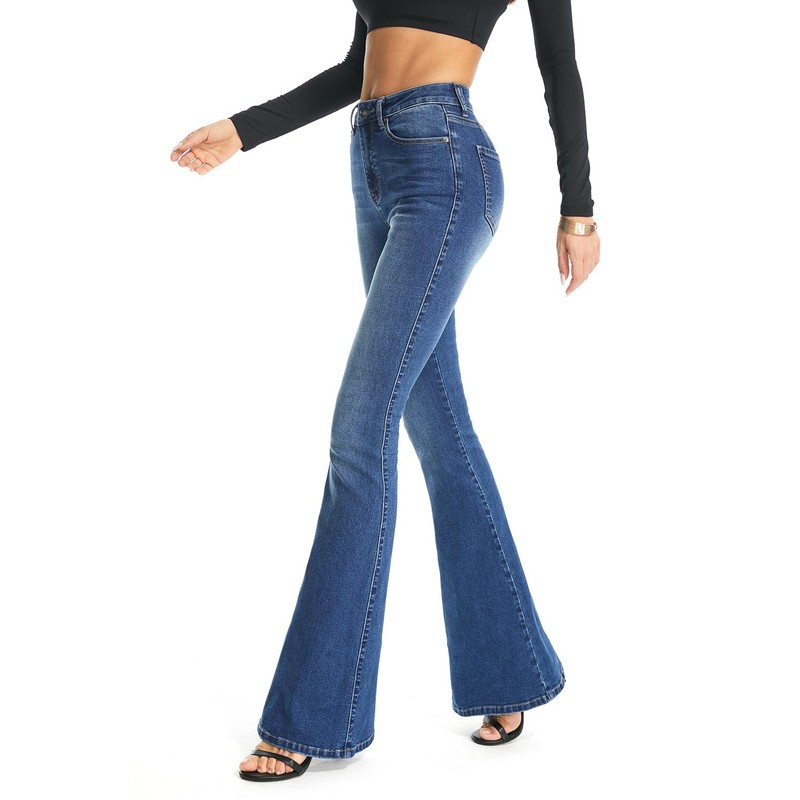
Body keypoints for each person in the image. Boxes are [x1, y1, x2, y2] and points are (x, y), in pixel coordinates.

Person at [170, 0, 600, 782]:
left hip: (447, 165)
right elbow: (355, 68)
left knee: (359, 430)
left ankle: (308, 717)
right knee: (440, 427)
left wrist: (579, 210)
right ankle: (509, 672)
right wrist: (242, 129)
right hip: (371, 163)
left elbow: (558, 67)